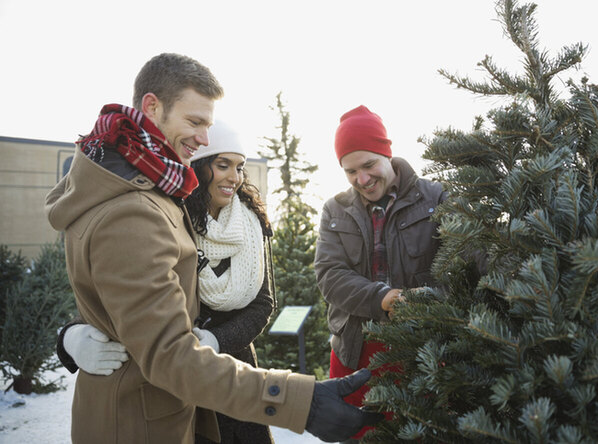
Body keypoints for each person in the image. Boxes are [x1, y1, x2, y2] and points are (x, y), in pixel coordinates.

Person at [45, 53, 382, 444]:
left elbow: (133, 296)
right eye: (195, 122)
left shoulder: (152, 189)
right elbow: (160, 340)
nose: (205, 137)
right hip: (146, 413)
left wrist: (218, 341)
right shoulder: (137, 207)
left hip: (197, 393)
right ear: (152, 107)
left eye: (208, 125)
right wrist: (72, 335)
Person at [58, 120, 278, 444]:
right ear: (201, 166)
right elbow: (129, 295)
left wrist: (217, 340)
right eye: (222, 165)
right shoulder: (171, 215)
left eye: (240, 167)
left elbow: (263, 302)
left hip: (236, 373)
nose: (234, 177)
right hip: (175, 380)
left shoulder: (252, 223)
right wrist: (69, 337)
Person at [314, 105, 447, 443]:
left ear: (387, 154)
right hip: (354, 353)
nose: (362, 179)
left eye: (369, 165)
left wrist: (427, 303)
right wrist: (383, 299)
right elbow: (330, 275)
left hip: (422, 353)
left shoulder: (436, 198)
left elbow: (460, 267)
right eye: (350, 171)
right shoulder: (335, 210)